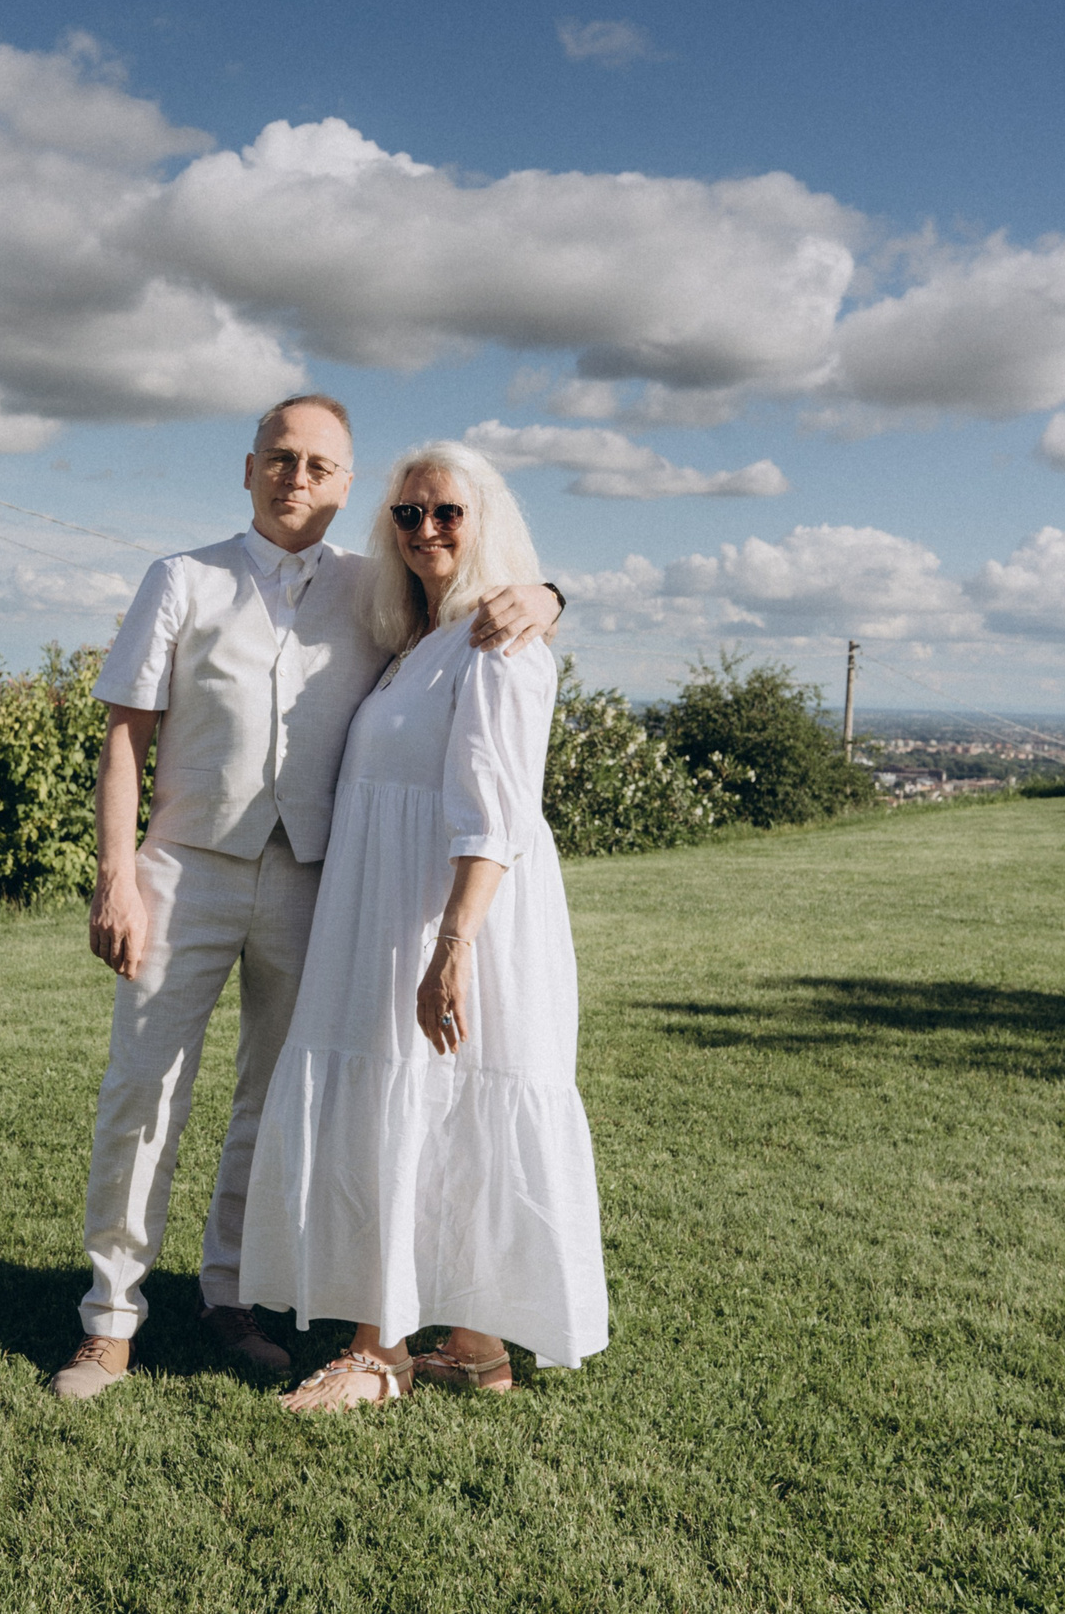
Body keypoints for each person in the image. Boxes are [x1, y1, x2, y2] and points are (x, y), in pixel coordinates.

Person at [52, 398, 564, 1400]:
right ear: (249, 469)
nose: (298, 477)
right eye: (281, 458)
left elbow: (482, 589)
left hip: (317, 881)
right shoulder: (181, 577)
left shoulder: (377, 585)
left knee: (275, 1096)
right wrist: (116, 874)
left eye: (320, 465)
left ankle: (231, 1294)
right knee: (142, 1089)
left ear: (345, 485)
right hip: (185, 870)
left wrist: (548, 595)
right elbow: (124, 736)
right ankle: (109, 1321)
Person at [236, 439, 610, 1412]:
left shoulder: (497, 641)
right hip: (391, 905)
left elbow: (495, 809)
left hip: (451, 913)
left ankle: (379, 1350)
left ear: (485, 523)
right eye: (407, 514)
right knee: (440, 1108)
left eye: (447, 512)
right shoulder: (421, 639)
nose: (426, 529)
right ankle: (475, 1344)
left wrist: (453, 945)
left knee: (416, 1101)